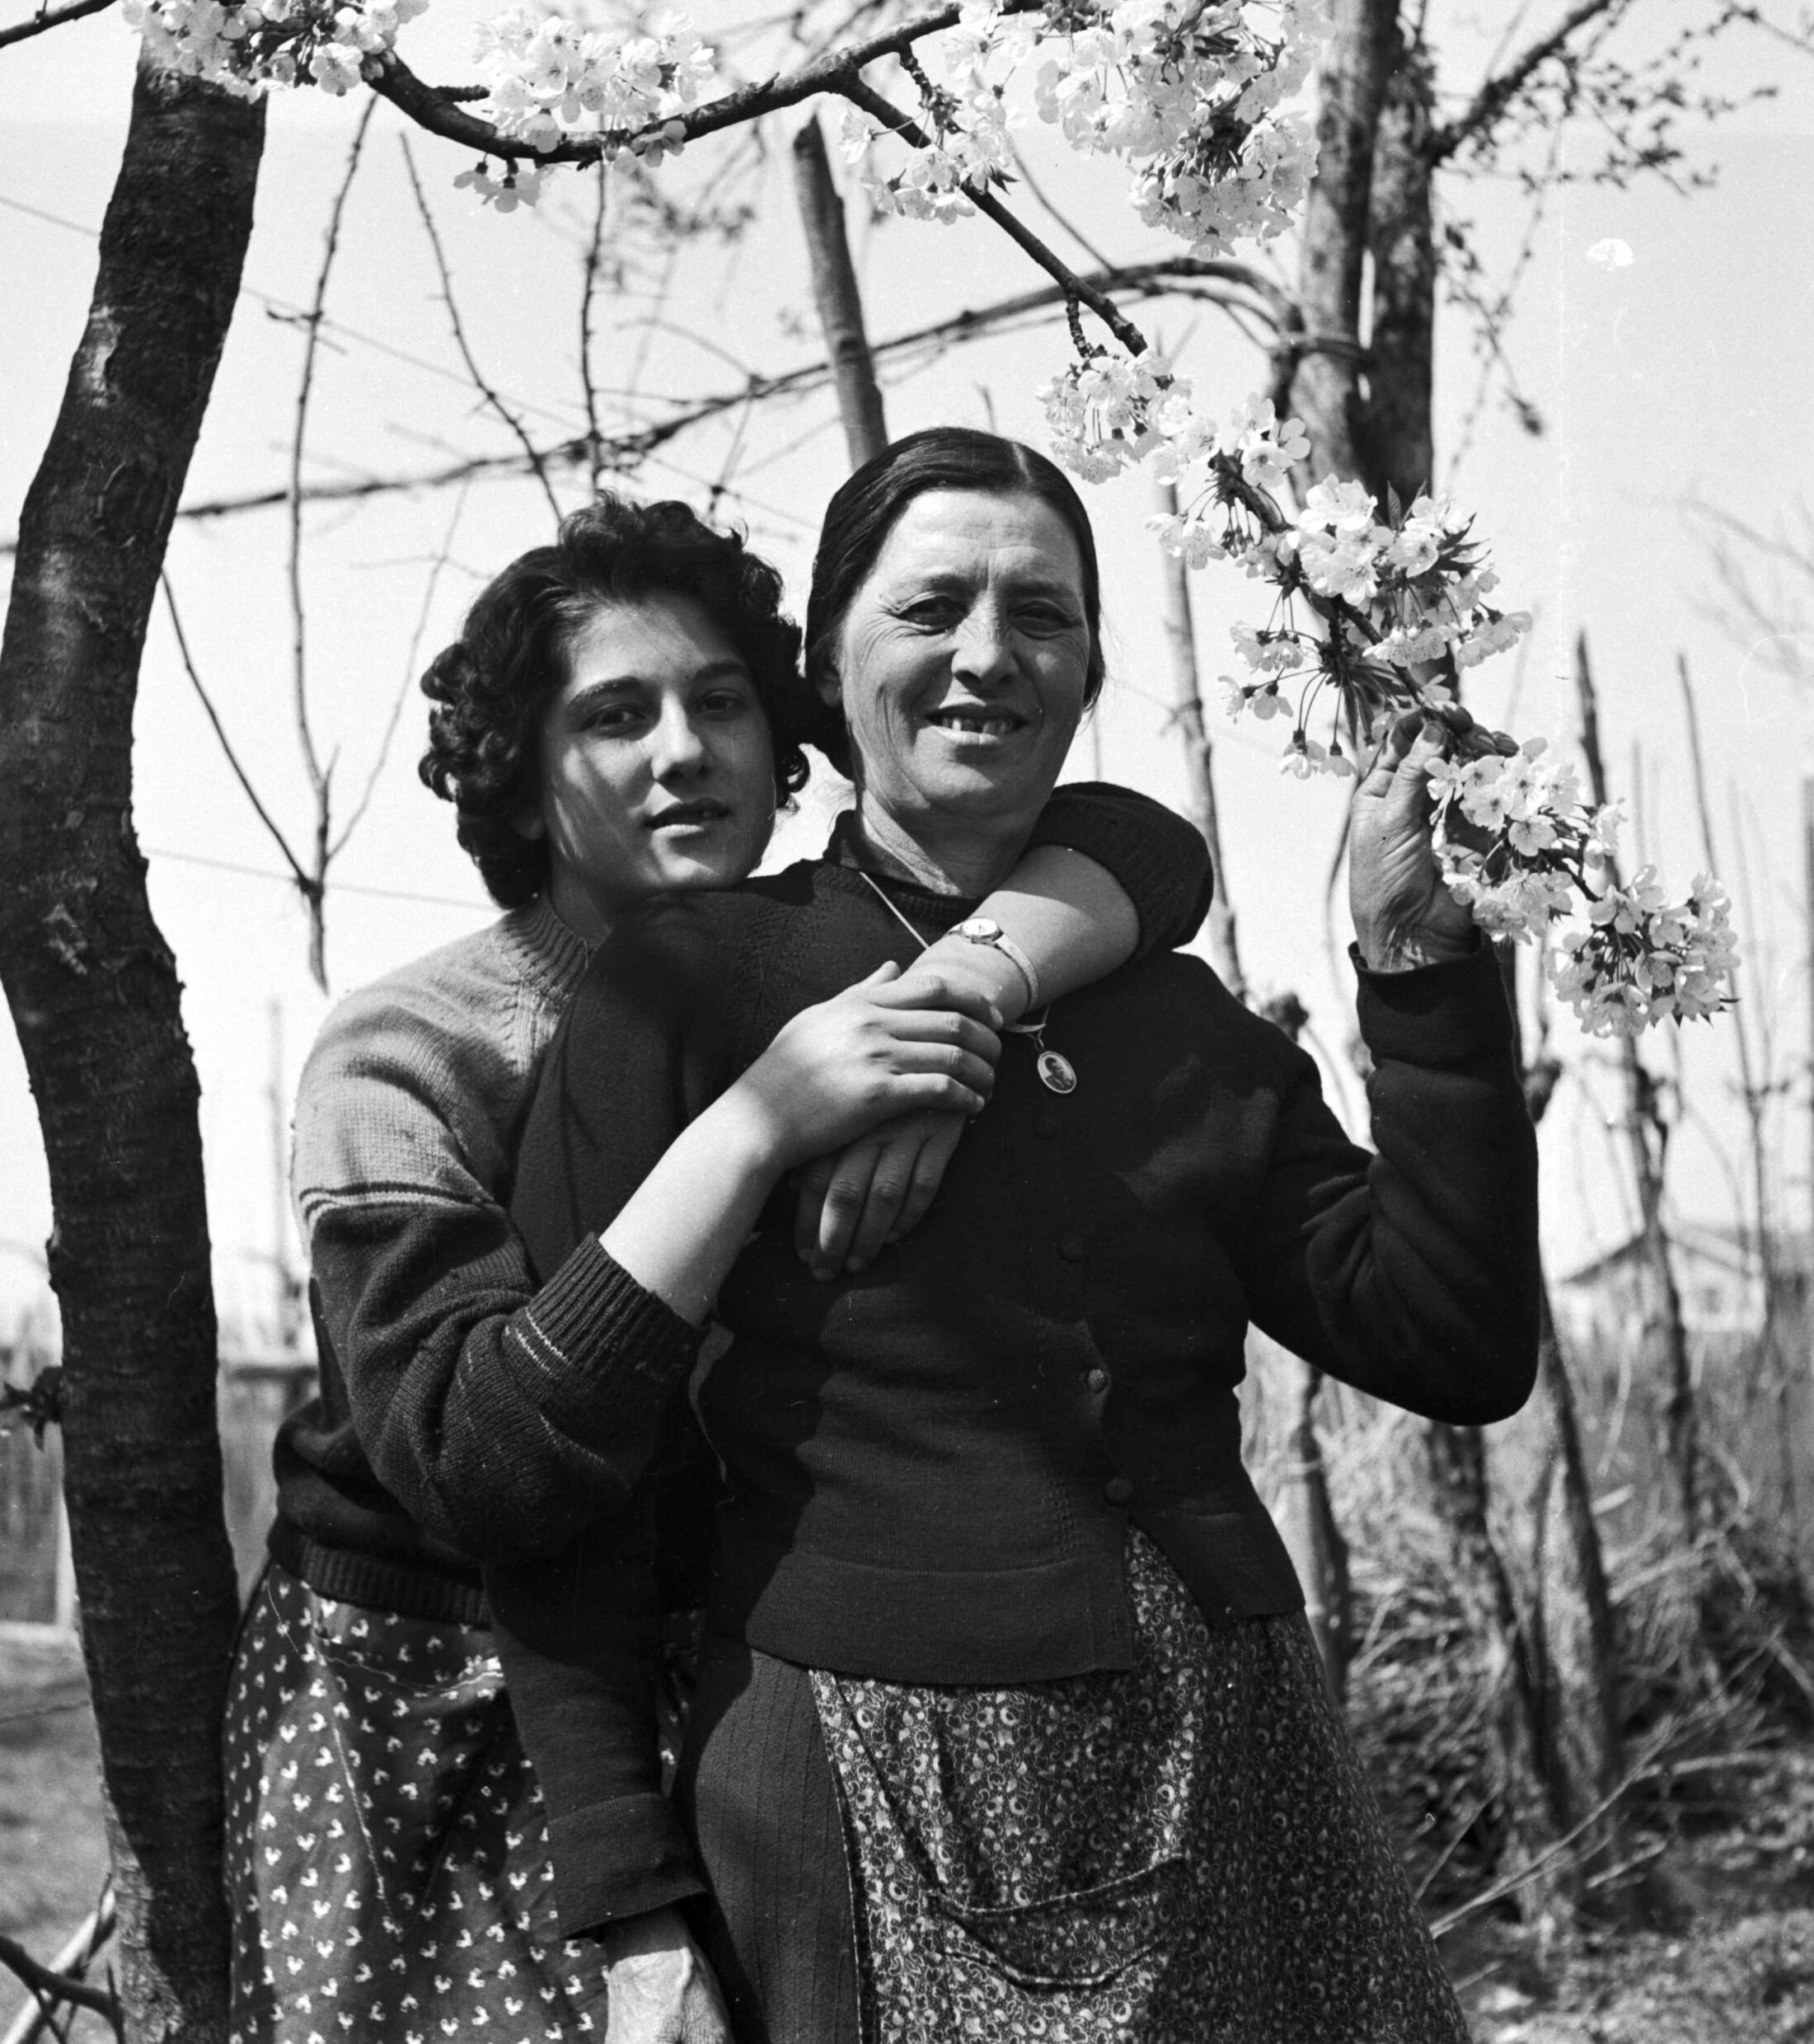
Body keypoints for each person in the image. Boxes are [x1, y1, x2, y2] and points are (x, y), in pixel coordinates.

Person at [485, 430, 1542, 2044]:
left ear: (1090, 670)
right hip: (866, 1786)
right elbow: (575, 1489)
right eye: (931, 608)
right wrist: (630, 1899)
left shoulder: (1185, 1028)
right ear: (824, 668)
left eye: (1041, 614)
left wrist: (1415, 969)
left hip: (1232, 1754)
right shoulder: (694, 986)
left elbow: (1455, 1345)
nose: (988, 654)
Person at [223, 490, 1216, 2044]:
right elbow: (467, 1458)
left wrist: (963, 983)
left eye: (723, 703)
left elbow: (1144, 844)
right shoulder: (410, 1048)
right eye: (616, 716)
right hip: (420, 1689)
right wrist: (758, 1126)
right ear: (523, 771)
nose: (683, 752)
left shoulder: (843, 980)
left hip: (702, 1668)